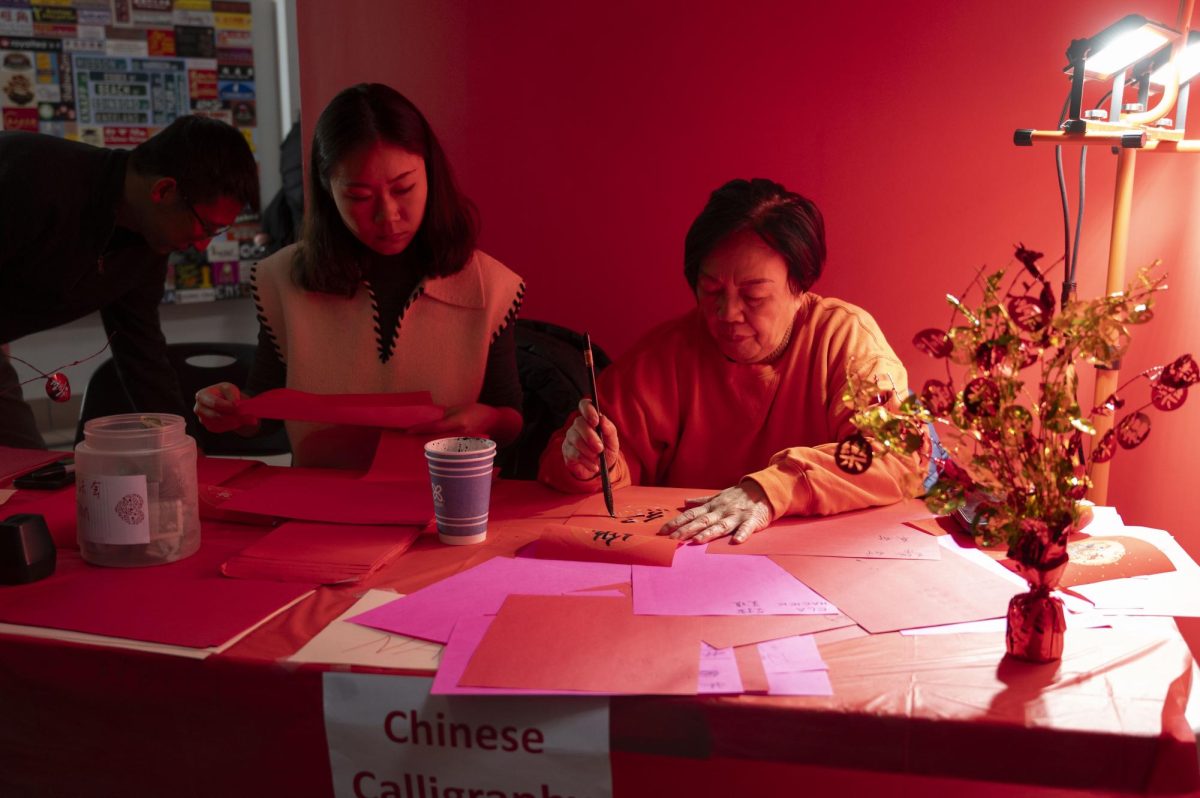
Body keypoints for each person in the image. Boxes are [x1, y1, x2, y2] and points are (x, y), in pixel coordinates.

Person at [538, 178, 917, 544]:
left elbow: (895, 458)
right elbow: (594, 466)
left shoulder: (843, 339)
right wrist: (586, 467)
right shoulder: (667, 355)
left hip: (818, 564)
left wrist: (772, 489)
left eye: (753, 295)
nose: (727, 312)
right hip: (685, 561)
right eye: (712, 289)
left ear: (800, 287)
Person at [194, 83, 525, 469]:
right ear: (326, 190)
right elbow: (264, 412)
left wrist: (488, 419)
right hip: (321, 506)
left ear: (431, 175)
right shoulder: (284, 280)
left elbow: (511, 417)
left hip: (444, 503)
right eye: (359, 197)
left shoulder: (488, 285)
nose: (388, 216)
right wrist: (234, 412)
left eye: (404, 188)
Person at [0, 116, 258, 449]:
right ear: (164, 190)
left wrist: (184, 453)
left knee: (29, 475)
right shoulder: (31, 178)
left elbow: (143, 359)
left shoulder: (146, 245)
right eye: (206, 227)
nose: (202, 245)